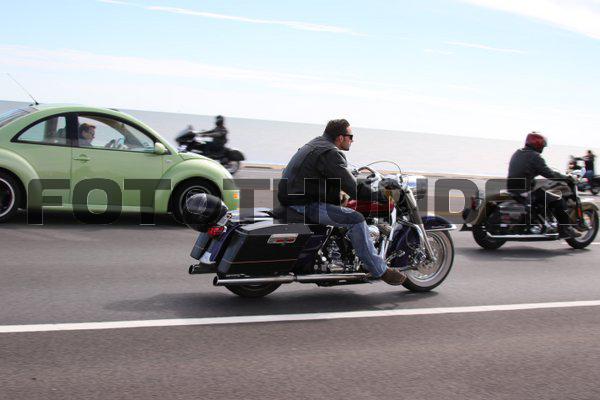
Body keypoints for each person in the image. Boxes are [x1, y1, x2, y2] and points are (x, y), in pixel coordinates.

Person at [277, 119, 407, 285]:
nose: (352, 140)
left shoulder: (315, 144)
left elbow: (328, 175)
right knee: (356, 219)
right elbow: (355, 189)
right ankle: (380, 270)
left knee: (343, 207)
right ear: (340, 137)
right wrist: (384, 195)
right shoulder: (331, 153)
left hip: (293, 198)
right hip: (305, 205)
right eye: (350, 136)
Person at [507, 131, 580, 238]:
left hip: (512, 189)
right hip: (525, 191)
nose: (543, 148)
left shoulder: (518, 152)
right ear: (538, 144)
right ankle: (566, 229)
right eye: (542, 146)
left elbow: (525, 170)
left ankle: (542, 220)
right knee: (557, 200)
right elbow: (549, 173)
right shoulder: (535, 156)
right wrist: (567, 178)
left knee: (542, 194)